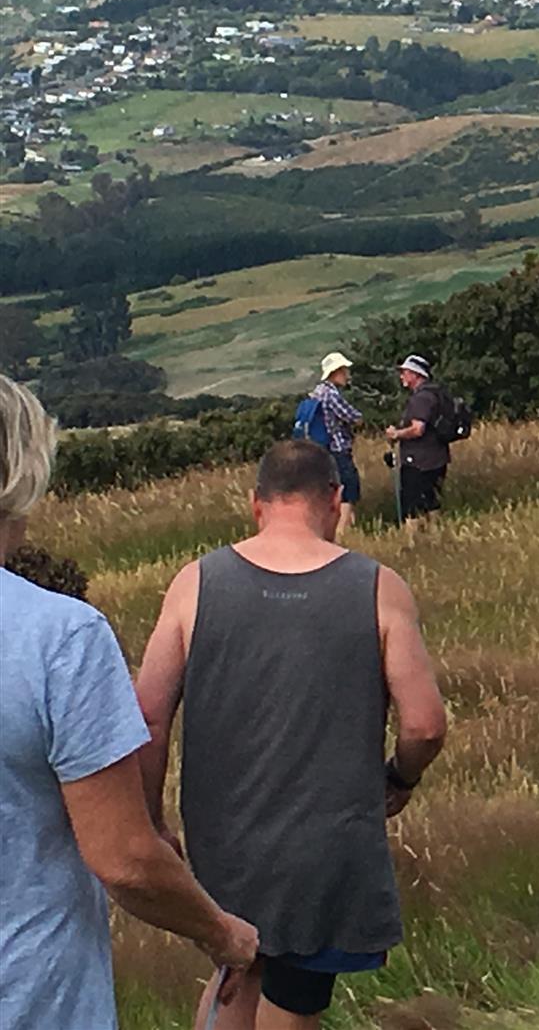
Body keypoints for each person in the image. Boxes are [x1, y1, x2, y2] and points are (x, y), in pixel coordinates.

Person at [135, 439, 448, 1030]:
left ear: (256, 504)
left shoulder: (194, 583)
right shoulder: (378, 587)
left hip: (221, 838)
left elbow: (148, 717)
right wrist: (400, 778)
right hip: (325, 849)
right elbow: (425, 725)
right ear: (334, 500)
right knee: (296, 994)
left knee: (234, 968)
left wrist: (153, 826)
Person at [0, 374, 260, 1030]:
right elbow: (124, 858)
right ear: (23, 469)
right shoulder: (59, 637)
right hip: (33, 997)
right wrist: (221, 932)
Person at [384, 354, 449, 525]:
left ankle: (411, 545)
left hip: (418, 461)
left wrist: (396, 434)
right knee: (432, 503)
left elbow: (417, 429)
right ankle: (436, 540)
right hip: (438, 457)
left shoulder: (420, 399)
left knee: (412, 507)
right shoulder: (436, 393)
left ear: (415, 374)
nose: (402, 376)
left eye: (405, 372)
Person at [305, 352, 365, 538]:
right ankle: (342, 532)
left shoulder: (316, 392)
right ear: (336, 372)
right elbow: (352, 416)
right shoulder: (331, 394)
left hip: (320, 450)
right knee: (348, 490)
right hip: (337, 448)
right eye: (344, 370)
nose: (347, 374)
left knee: (330, 491)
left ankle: (341, 530)